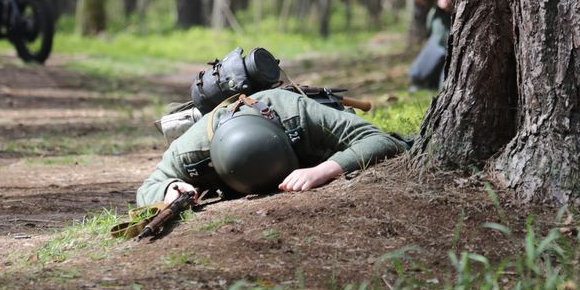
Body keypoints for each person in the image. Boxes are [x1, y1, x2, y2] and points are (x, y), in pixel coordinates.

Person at [136, 88, 407, 206]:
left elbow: (382, 139)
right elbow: (148, 188)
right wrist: (170, 189)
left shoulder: (297, 113)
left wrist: (323, 170)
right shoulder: (190, 152)